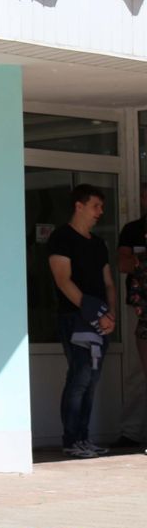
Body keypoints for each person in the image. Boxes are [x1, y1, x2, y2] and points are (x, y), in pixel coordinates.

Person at [48, 184, 117, 458]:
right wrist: (94, 313)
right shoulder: (61, 238)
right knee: (79, 378)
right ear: (79, 205)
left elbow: (109, 283)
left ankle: (84, 439)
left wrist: (109, 314)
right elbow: (63, 280)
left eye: (101, 207)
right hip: (74, 319)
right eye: (96, 206)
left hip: (100, 323)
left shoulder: (99, 244)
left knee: (91, 380)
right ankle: (71, 440)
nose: (100, 212)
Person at [116, 183, 147, 451]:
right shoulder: (133, 229)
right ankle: (132, 432)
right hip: (138, 308)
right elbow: (123, 263)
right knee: (138, 373)